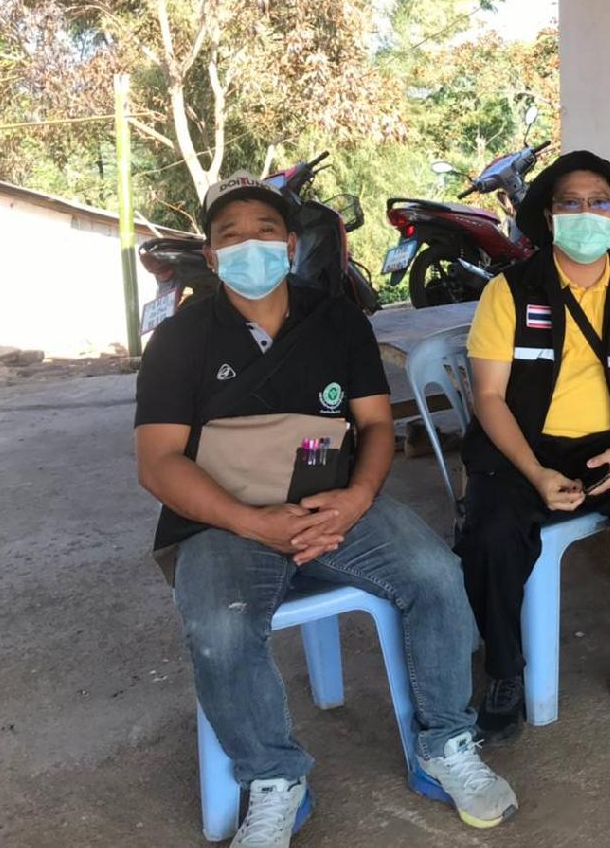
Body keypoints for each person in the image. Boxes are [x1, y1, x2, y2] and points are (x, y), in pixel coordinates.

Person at [135, 173, 516, 847]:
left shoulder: (337, 319)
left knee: (436, 575)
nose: (249, 246)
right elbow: (159, 462)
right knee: (219, 627)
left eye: (264, 232)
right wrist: (253, 522)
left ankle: (446, 743)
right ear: (212, 255)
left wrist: (356, 498)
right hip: (223, 517)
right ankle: (274, 777)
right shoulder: (180, 338)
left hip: (334, 499)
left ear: (289, 245)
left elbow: (374, 426)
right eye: (230, 236)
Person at [457, 150, 610, 740]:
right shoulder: (510, 292)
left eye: (599, 203)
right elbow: (488, 397)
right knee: (489, 532)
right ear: (548, 217)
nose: (585, 213)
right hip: (524, 448)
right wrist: (535, 471)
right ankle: (503, 671)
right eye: (570, 203)